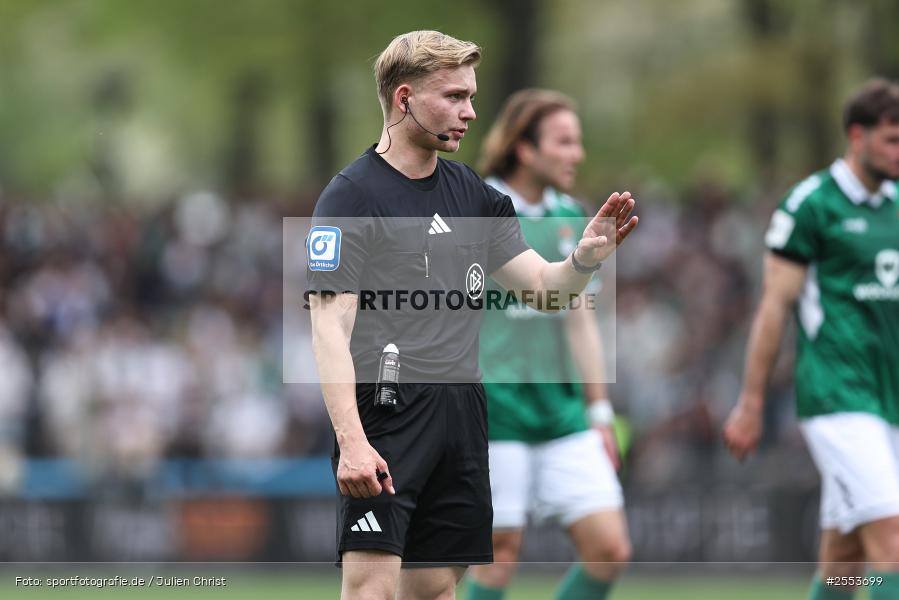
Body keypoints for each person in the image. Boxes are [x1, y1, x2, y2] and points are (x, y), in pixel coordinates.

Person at [306, 31, 638, 600]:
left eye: (472, 96)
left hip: (462, 414)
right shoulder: (350, 197)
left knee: (436, 588)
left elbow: (542, 289)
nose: (471, 112)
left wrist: (582, 260)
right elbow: (329, 325)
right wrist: (353, 442)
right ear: (404, 98)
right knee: (372, 591)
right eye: (455, 97)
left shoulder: (475, 195)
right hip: (387, 414)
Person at [723, 78, 899, 600]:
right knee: (891, 544)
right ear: (857, 135)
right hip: (838, 395)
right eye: (891, 139)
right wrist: (751, 403)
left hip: (890, 397)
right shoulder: (812, 205)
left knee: (845, 561)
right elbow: (774, 307)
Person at [465, 89, 630, 600]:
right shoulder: (475, 208)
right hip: (496, 410)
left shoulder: (572, 215)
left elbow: (581, 320)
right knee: (499, 554)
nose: (576, 154)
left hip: (562, 412)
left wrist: (599, 411)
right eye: (564, 142)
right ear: (525, 149)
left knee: (609, 550)